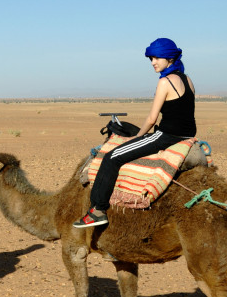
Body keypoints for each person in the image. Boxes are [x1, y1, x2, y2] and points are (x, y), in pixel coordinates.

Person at [74, 37, 197, 228]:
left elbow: (151, 119)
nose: (153, 62)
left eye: (157, 58)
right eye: (151, 59)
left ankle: (97, 210)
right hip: (187, 134)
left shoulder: (165, 82)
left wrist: (136, 138)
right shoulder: (187, 79)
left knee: (111, 157)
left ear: (169, 58)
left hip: (166, 136)